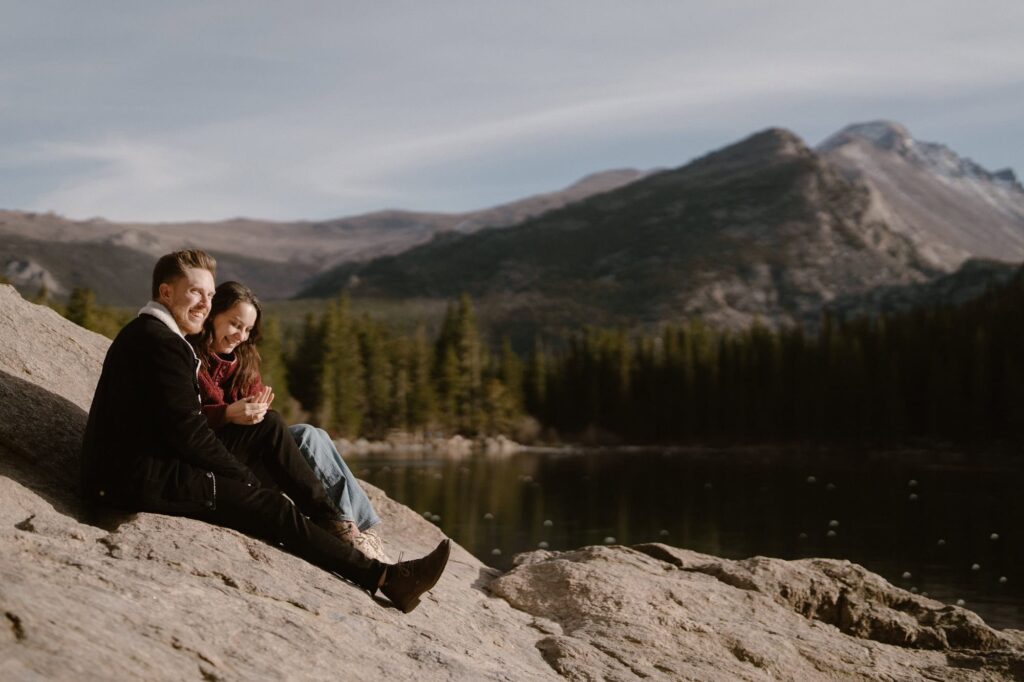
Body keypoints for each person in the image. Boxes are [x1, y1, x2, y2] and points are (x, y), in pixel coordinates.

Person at [80, 249, 448, 613]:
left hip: (152, 465)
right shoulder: (159, 343)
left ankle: (333, 522)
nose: (204, 304)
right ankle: (386, 579)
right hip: (137, 481)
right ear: (166, 293)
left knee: (270, 426)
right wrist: (243, 481)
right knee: (269, 507)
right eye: (195, 292)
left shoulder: (157, 336)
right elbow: (188, 434)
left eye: (209, 294)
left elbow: (179, 427)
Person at [189, 280, 388, 561]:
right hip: (218, 468)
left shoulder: (242, 358)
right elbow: (182, 420)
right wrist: (228, 413)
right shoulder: (190, 356)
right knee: (291, 431)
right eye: (235, 324)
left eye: (247, 330)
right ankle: (340, 528)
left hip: (246, 456)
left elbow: (255, 413)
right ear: (212, 315)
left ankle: (358, 530)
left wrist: (254, 409)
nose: (240, 336)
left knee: (310, 434)